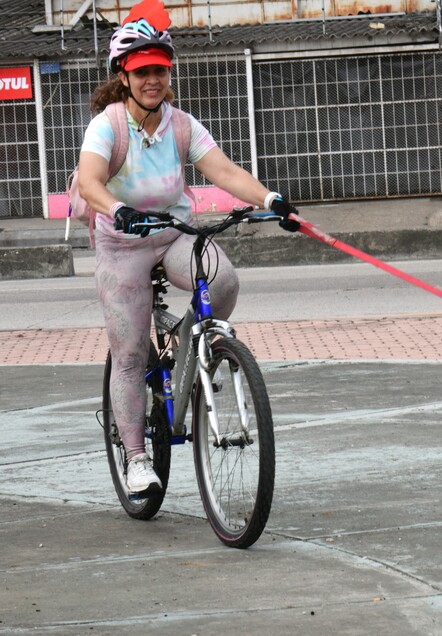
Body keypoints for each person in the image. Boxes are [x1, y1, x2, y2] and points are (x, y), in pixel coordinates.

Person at [76, 0, 299, 496]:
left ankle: (190, 344)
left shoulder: (180, 124)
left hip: (174, 233)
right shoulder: (108, 125)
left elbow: (222, 170)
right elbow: (90, 182)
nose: (152, 79)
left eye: (160, 69)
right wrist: (117, 210)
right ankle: (136, 459)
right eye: (142, 70)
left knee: (223, 282)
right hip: (123, 244)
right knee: (130, 354)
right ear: (124, 75)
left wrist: (269, 198)